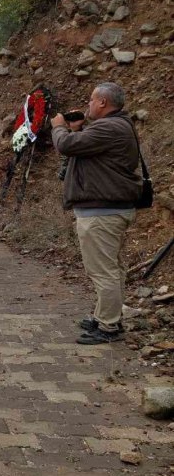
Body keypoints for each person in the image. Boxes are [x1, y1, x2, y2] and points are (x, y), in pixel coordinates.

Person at [51, 82, 143, 345]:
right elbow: (82, 146)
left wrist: (58, 127)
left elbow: (67, 146)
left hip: (102, 212)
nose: (88, 104)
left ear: (103, 102)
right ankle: (106, 315)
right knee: (110, 269)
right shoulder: (115, 126)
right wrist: (78, 129)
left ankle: (109, 326)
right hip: (108, 209)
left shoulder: (110, 127)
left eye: (92, 100)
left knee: (103, 271)